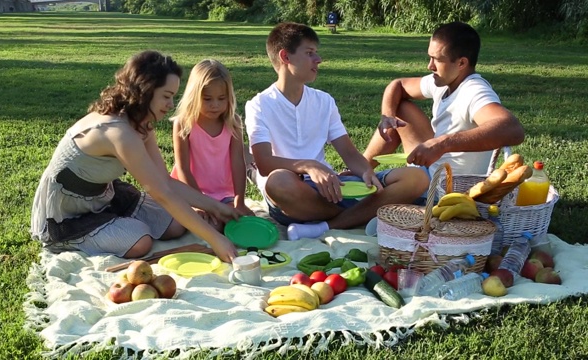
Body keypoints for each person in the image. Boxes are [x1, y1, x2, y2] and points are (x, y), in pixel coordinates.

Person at [30, 50, 241, 263]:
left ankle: (116, 221)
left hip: (104, 197)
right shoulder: (118, 133)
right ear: (146, 91)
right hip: (67, 213)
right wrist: (215, 240)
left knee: (176, 224)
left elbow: (165, 181)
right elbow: (162, 193)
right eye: (166, 96)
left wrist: (216, 207)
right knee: (141, 242)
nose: (170, 105)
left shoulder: (141, 125)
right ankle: (74, 237)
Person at [244, 22, 429, 241]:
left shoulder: (324, 101)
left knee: (416, 177)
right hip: (295, 193)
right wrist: (310, 165)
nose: (318, 59)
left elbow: (349, 154)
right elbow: (264, 163)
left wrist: (365, 172)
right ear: (285, 57)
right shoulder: (259, 104)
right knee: (278, 182)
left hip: (332, 189)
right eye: (310, 53)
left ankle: (329, 224)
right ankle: (370, 211)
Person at [362, 21, 525, 179]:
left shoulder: (474, 91)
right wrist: (387, 115)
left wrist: (442, 144)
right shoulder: (443, 80)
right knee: (400, 109)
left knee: (376, 188)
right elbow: (398, 85)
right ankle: (361, 169)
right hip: (431, 167)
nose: (430, 66)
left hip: (445, 186)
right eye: (430, 58)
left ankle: (365, 185)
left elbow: (512, 129)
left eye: (437, 60)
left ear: (461, 63)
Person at [170, 59, 255, 232]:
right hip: (192, 192)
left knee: (240, 222)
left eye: (221, 98)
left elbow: (238, 163)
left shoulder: (233, 123)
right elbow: (183, 168)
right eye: (207, 99)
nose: (215, 105)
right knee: (212, 226)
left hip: (223, 194)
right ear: (194, 96)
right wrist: (200, 203)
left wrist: (239, 200)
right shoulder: (184, 124)